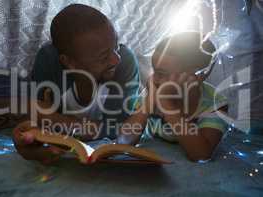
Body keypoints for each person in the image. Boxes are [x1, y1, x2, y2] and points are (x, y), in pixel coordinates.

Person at [13, 4, 156, 165]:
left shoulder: (125, 62)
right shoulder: (48, 60)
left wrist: (57, 120)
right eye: (103, 57)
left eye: (115, 46)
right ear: (69, 62)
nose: (116, 59)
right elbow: (37, 117)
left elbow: (122, 130)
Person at [118, 32, 229, 162]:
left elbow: (201, 155)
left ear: (198, 75)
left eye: (161, 73)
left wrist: (166, 104)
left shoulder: (215, 104)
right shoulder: (153, 92)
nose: (153, 78)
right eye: (154, 70)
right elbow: (123, 141)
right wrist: (149, 101)